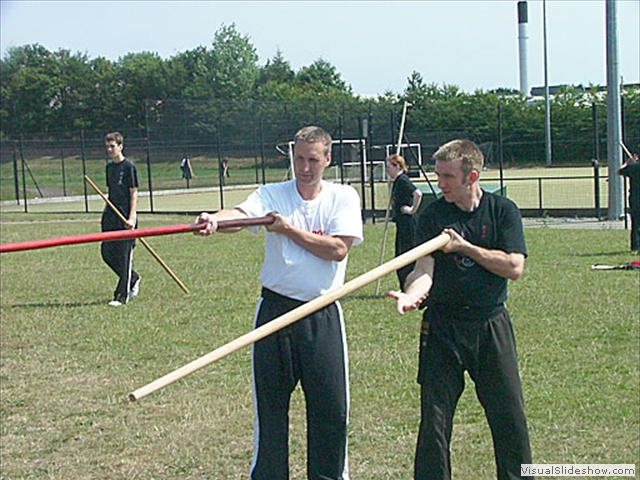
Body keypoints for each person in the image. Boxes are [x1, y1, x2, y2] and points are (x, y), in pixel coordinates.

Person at [194, 126, 363, 480]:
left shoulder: (343, 197)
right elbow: (241, 216)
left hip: (322, 315)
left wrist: (287, 230)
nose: (303, 167)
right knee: (270, 410)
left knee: (331, 410)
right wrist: (214, 220)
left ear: (327, 160)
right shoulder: (272, 193)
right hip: (275, 313)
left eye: (312, 159)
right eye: (298, 158)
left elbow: (337, 249)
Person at [387, 139, 533, 480]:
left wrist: (465, 247)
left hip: (490, 324)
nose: (440, 184)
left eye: (448, 177)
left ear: (472, 176)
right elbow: (424, 270)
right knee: (434, 422)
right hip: (442, 327)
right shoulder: (432, 216)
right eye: (438, 175)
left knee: (509, 417)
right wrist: (412, 295)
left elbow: (514, 266)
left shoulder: (502, 211)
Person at [101, 131, 141, 307]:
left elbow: (133, 194)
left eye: (112, 146)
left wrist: (131, 217)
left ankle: (121, 296)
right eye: (107, 146)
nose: (110, 149)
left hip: (126, 216)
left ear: (120, 146)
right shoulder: (109, 168)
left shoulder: (129, 167)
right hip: (112, 215)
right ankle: (132, 278)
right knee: (107, 253)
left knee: (125, 256)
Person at [385, 154, 423, 289]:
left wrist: (412, 209)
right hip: (401, 223)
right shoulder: (396, 181)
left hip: (408, 223)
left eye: (388, 166)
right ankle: (405, 285)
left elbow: (418, 193)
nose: (386, 169)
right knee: (400, 254)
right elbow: (392, 202)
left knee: (406, 254)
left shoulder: (403, 180)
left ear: (397, 166)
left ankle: (410, 285)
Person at [618, 151, 639, 252]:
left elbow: (620, 171)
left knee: (635, 223)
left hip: (635, 198)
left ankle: (635, 246)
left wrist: (628, 162)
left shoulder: (633, 167)